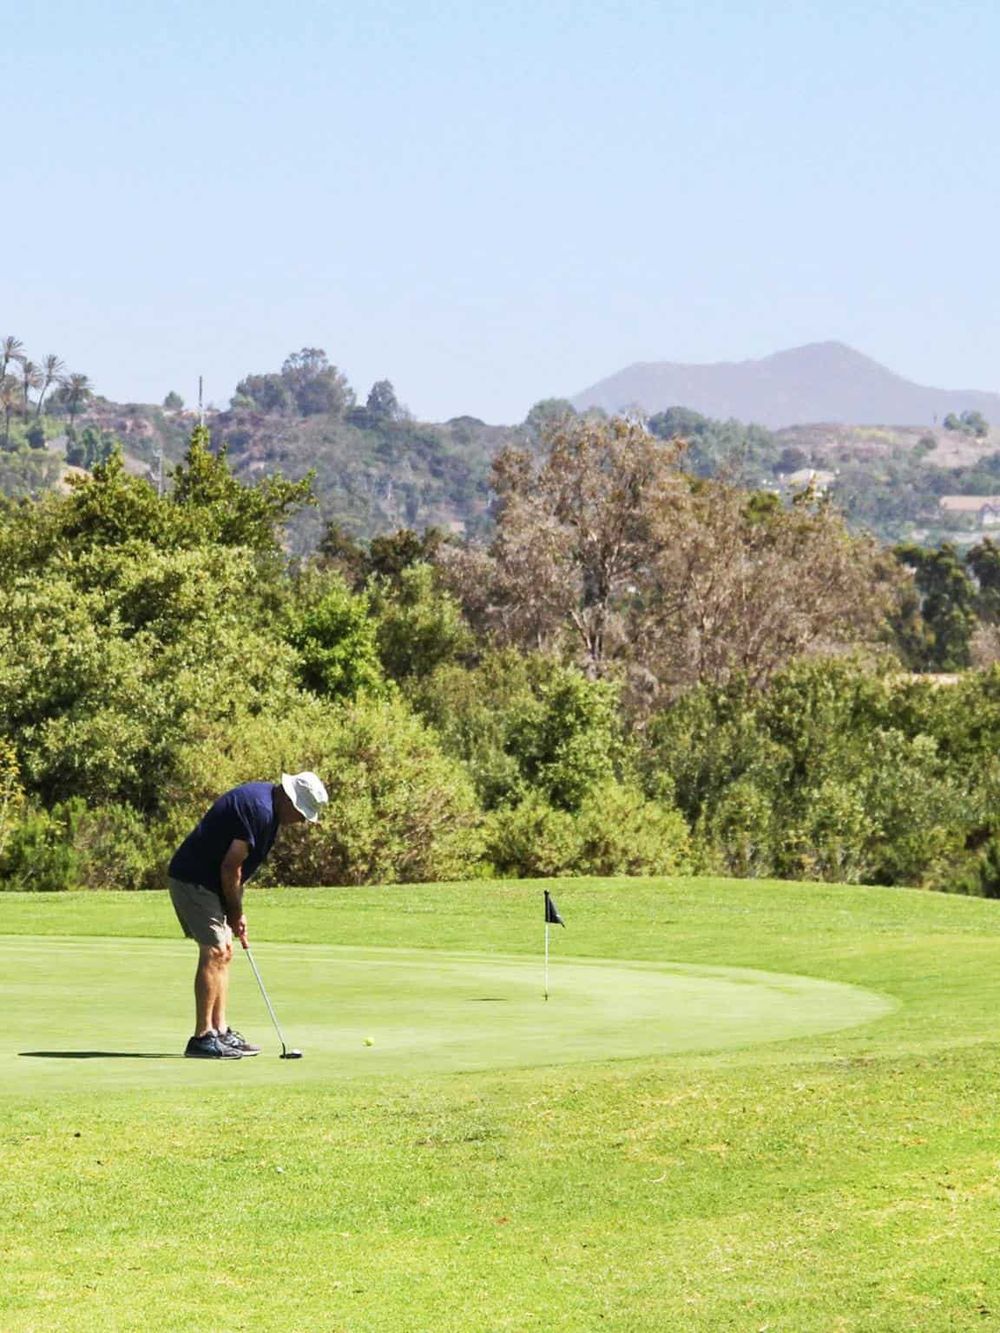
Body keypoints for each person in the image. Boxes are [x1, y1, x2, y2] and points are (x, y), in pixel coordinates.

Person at [168, 771, 328, 1059]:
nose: (302, 821)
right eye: (303, 814)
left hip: (211, 883)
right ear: (291, 800)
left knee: (226, 951)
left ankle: (220, 1030)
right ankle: (202, 1037)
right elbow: (231, 867)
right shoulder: (260, 811)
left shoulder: (268, 808)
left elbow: (235, 871)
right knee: (215, 950)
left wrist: (236, 911)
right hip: (194, 880)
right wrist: (236, 909)